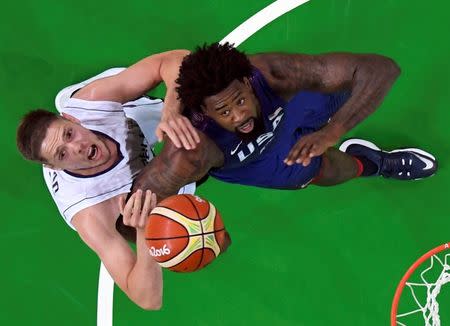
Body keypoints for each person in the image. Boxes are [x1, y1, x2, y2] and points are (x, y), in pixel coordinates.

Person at [16, 50, 226, 310]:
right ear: (54, 167)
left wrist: (171, 109)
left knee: (199, 88)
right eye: (62, 154)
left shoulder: (91, 104)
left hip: (133, 118)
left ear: (71, 119)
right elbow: (147, 299)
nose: (77, 148)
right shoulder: (89, 213)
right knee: (153, 216)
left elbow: (178, 59)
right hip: (129, 190)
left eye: (69, 134)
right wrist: (144, 230)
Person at [166, 43, 437, 189]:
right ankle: (373, 164)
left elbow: (383, 70)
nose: (238, 116)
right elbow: (138, 212)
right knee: (323, 169)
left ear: (247, 82)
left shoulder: (273, 74)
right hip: (254, 158)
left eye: (239, 100)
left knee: (345, 87)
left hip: (287, 106)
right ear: (204, 111)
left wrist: (333, 131)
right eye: (224, 111)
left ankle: (329, 127)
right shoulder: (193, 147)